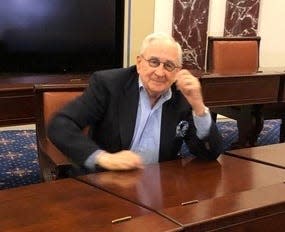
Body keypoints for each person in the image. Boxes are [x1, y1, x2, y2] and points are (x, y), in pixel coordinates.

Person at [47, 32, 224, 173]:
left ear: (178, 71)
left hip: (160, 185)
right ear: (139, 63)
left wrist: (199, 107)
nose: (160, 73)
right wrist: (103, 158)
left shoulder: (183, 95)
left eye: (169, 66)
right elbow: (60, 125)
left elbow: (210, 153)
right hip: (106, 181)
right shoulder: (109, 85)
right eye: (154, 62)